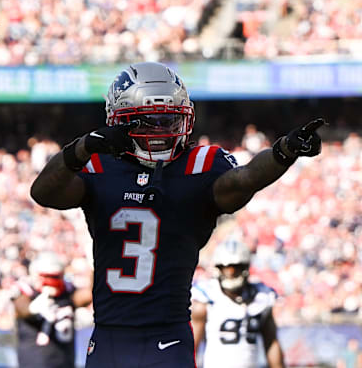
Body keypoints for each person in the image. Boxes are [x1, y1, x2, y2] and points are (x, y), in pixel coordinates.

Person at [29, 61, 325, 368]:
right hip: (108, 335)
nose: (160, 131)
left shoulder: (201, 163)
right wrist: (81, 149)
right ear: (117, 122)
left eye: (169, 120)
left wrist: (284, 152)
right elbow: (43, 193)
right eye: (148, 121)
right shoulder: (99, 164)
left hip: (168, 335)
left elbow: (246, 178)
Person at [191, 239, 285, 368]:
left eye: (236, 267)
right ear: (218, 268)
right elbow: (191, 347)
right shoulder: (207, 297)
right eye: (226, 268)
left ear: (246, 267)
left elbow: (271, 342)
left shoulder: (261, 297)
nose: (230, 273)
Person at [12, 251, 92, 368]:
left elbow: (90, 294)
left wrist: (94, 266)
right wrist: (33, 308)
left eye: (54, 276)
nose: (50, 280)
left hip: (65, 362)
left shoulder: (68, 293)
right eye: (46, 276)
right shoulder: (27, 293)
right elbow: (23, 309)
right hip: (34, 362)